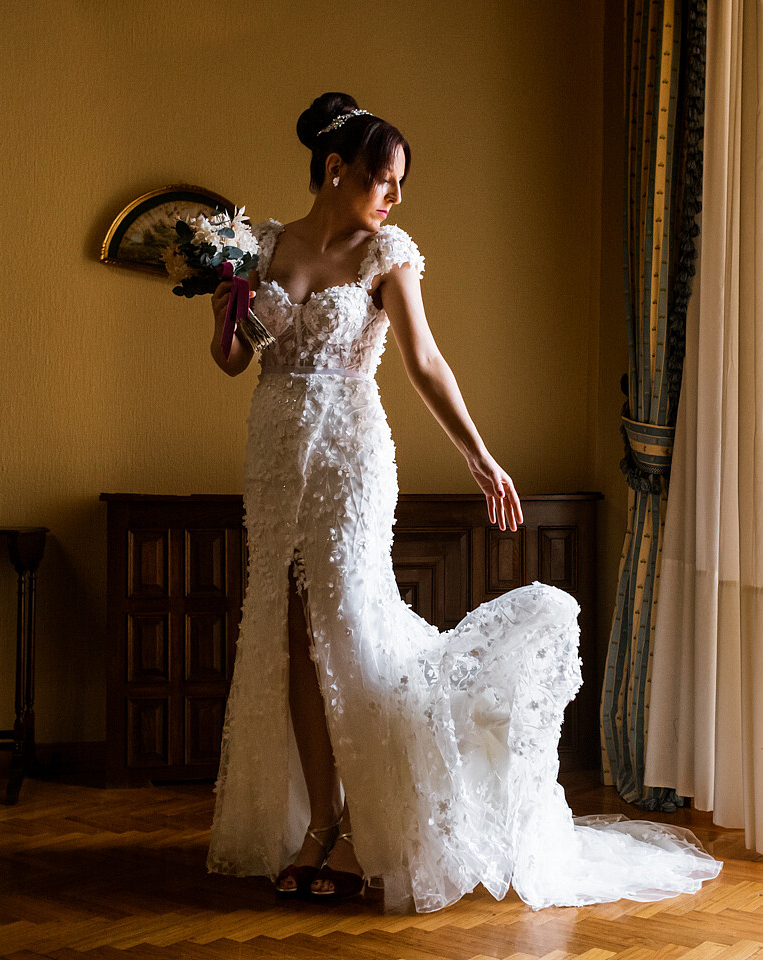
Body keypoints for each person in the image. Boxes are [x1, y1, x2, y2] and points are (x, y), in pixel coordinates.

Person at [205, 92, 720, 913]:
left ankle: (379, 817)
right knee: (289, 632)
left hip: (349, 456)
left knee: (346, 624)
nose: (394, 196)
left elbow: (425, 361)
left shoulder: (388, 254)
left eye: (400, 181)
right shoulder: (263, 246)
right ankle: (320, 820)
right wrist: (236, 300)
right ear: (336, 170)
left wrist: (479, 455)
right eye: (383, 178)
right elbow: (233, 360)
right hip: (273, 457)